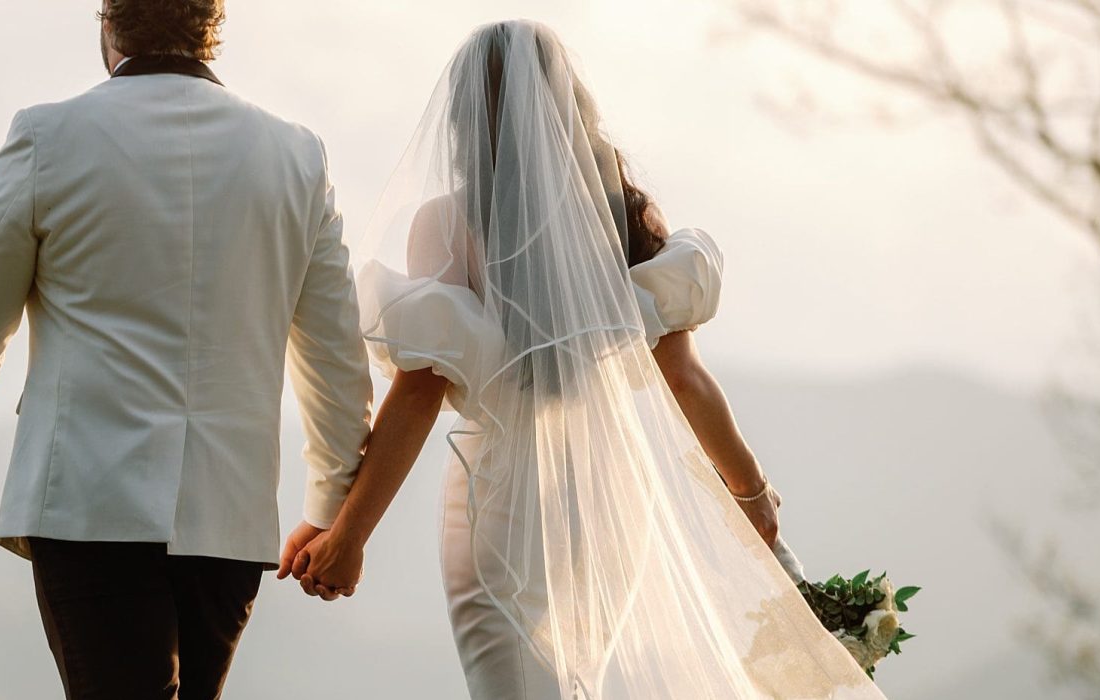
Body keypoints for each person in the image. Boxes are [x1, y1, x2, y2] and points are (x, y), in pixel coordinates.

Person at [288, 20, 888, 699]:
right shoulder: (623, 217)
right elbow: (685, 379)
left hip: (500, 503)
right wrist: (750, 490)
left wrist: (348, 534)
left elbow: (418, 394)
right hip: (608, 499)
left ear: (462, 119)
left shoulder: (447, 225)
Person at [0, 2, 372, 697]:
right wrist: (333, 506)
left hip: (88, 506)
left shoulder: (47, 137)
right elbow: (336, 357)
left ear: (109, 24)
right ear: (210, 26)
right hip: (228, 517)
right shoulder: (295, 156)